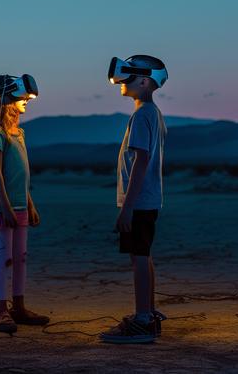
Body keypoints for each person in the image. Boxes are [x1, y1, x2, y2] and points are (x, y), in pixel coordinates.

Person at [100, 55, 168, 343]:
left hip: (138, 202)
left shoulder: (142, 116)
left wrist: (126, 208)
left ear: (144, 81)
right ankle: (149, 314)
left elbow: (141, 162)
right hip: (148, 200)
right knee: (144, 256)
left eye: (127, 79)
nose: (121, 84)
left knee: (138, 258)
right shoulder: (152, 113)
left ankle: (141, 321)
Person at [0, 74, 50, 333]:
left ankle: (18, 307)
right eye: (22, 97)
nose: (26, 101)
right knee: (5, 259)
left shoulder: (19, 133)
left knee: (21, 258)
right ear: (7, 98)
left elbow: (23, 176)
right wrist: (6, 207)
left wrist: (29, 203)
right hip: (2, 208)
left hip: (20, 207)